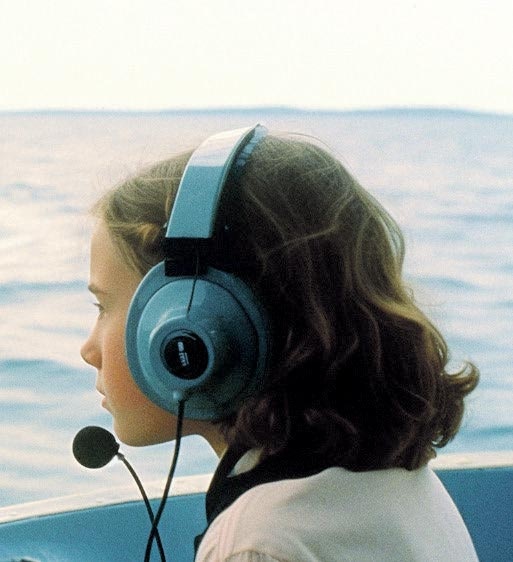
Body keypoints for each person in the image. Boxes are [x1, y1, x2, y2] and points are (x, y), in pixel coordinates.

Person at [80, 126, 479, 561]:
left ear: (192, 326)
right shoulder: (401, 480)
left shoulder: (258, 544)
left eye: (103, 306)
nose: (88, 350)